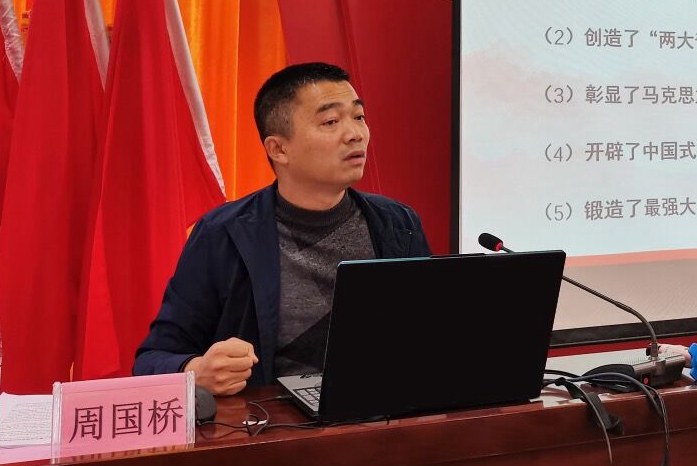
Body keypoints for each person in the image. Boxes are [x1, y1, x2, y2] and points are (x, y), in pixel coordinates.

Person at [132, 62, 432, 395]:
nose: (355, 134)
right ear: (278, 149)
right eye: (331, 122)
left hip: (379, 415)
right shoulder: (221, 234)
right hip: (269, 421)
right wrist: (196, 372)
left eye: (358, 117)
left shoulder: (398, 223)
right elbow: (152, 360)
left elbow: (430, 337)